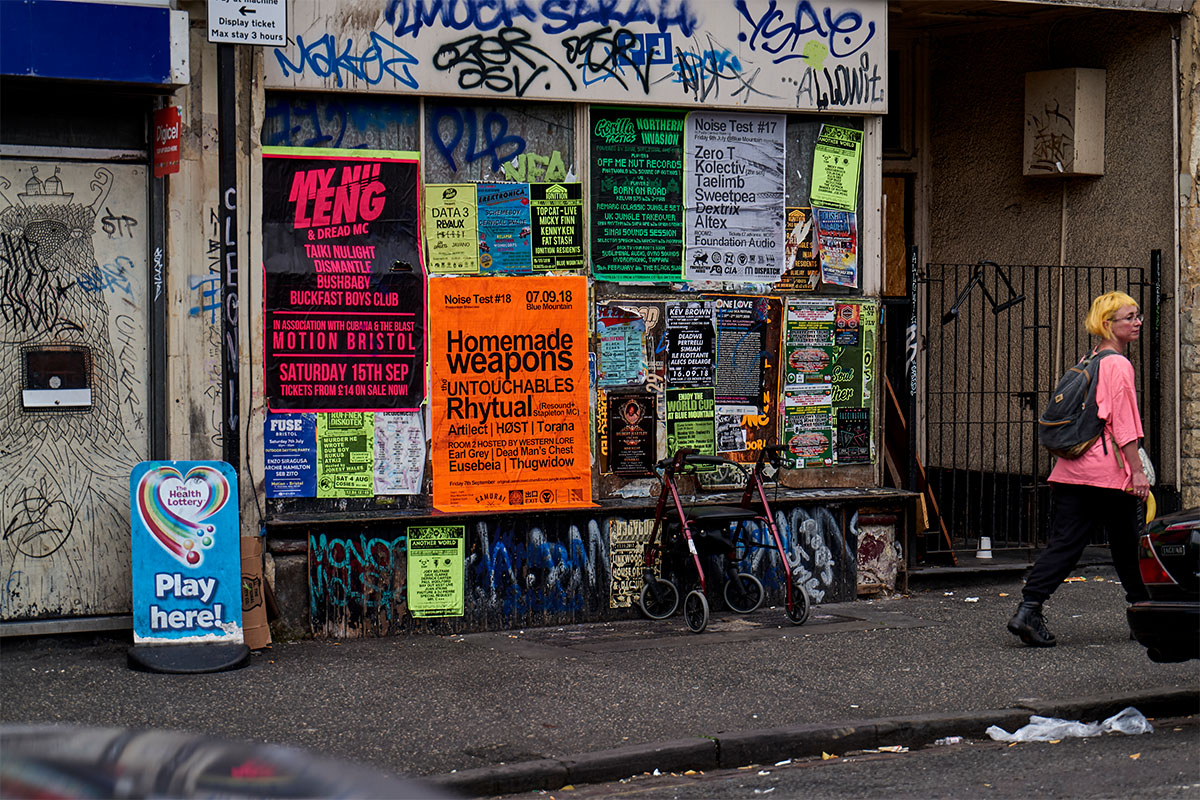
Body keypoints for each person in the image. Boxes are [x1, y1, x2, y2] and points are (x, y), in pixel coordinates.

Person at [1007, 291, 1150, 647]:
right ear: (1107, 324)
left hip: (1071, 471)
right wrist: (1137, 471)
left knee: (1067, 545)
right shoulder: (1117, 364)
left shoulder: (1090, 360)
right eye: (1129, 317)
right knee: (1127, 546)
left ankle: (1029, 608)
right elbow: (1124, 424)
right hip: (1106, 474)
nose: (1137, 322)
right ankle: (1144, 613)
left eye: (1138, 316)